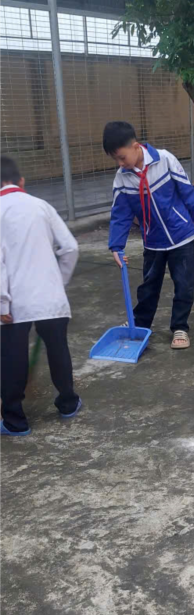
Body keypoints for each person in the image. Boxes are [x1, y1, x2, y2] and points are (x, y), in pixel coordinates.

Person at [105, 121, 194, 349]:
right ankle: (140, 324)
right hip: (153, 241)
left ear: (135, 146)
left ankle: (180, 327)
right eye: (116, 160)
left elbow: (185, 188)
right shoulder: (122, 178)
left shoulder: (165, 159)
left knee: (184, 284)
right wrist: (116, 246)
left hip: (181, 237)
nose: (120, 164)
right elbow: (120, 215)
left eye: (122, 157)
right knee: (148, 286)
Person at [0, 156, 81, 437]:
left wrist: (1, 302)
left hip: (15, 302)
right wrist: (59, 283)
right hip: (50, 297)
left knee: (12, 357)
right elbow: (70, 248)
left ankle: (15, 421)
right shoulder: (42, 206)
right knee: (58, 349)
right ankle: (68, 403)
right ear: (21, 182)